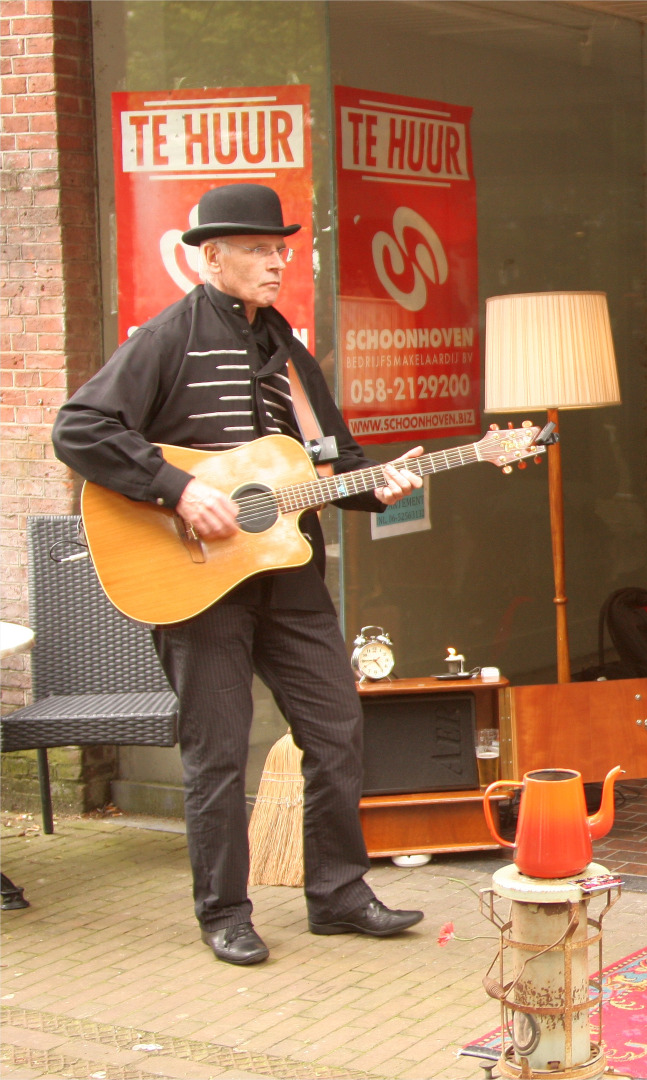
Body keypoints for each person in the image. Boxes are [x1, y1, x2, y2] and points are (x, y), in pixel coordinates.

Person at [53, 183, 426, 965]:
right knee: (217, 751)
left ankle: (339, 894)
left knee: (337, 728)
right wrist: (179, 490)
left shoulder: (287, 349)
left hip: (287, 572)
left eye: (280, 249)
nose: (277, 262)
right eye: (259, 250)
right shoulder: (169, 337)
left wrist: (379, 486)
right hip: (195, 580)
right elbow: (79, 427)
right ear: (212, 257)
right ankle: (223, 911)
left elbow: (331, 462)